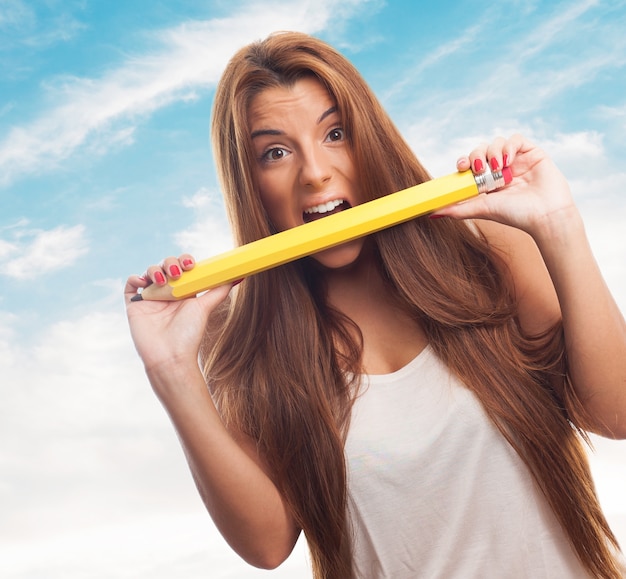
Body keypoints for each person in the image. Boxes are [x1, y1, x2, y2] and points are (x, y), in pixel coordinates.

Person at [125, 31, 626, 578]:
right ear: (250, 183)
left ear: (370, 139)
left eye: (335, 133)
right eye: (275, 152)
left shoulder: (492, 251)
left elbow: (616, 414)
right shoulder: (250, 342)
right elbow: (266, 546)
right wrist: (172, 371)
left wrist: (558, 225)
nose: (314, 172)